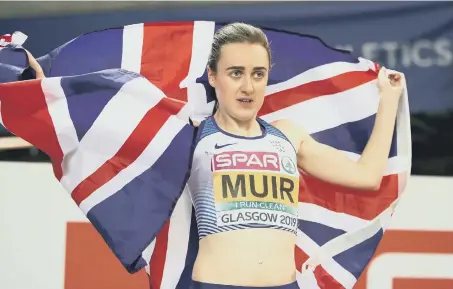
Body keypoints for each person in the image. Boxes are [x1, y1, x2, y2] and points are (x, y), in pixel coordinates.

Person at [26, 22, 404, 289]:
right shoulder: (188, 133)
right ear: (213, 76)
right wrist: (45, 91)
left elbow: (368, 176)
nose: (247, 85)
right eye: (235, 72)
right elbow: (102, 128)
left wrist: (388, 102)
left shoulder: (290, 136)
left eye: (258, 74)